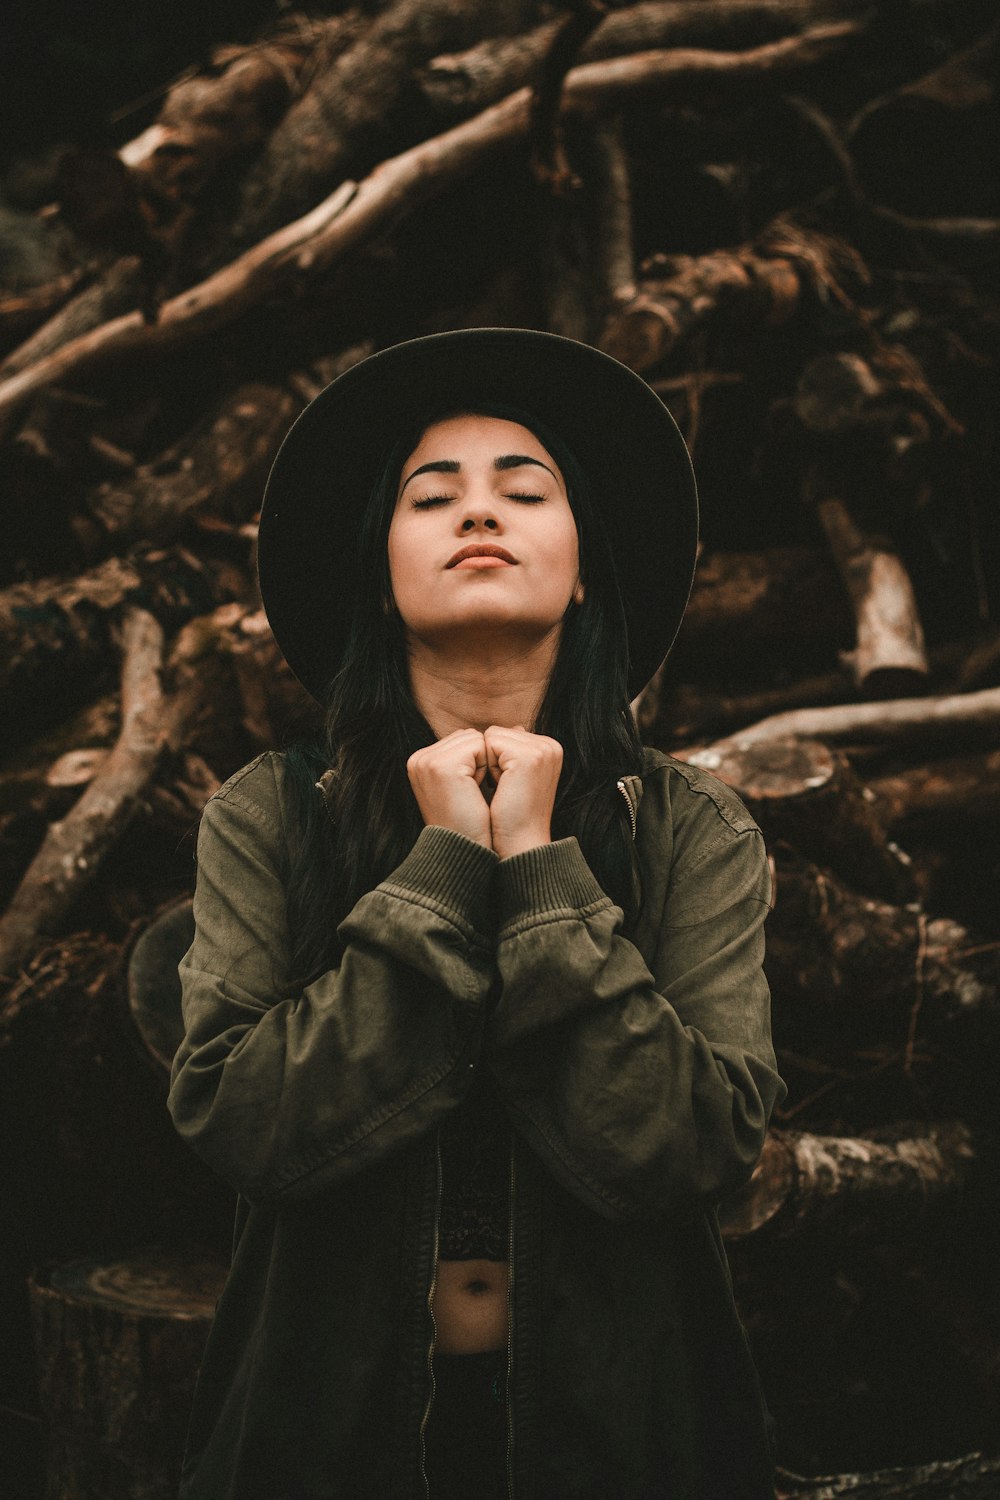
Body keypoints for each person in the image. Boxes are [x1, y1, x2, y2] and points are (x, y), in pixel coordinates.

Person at [167, 327, 787, 1500]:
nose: (477, 513)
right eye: (431, 494)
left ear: (585, 563)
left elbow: (697, 1142)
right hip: (322, 1441)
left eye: (525, 487)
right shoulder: (270, 816)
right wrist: (445, 861)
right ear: (381, 566)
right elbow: (241, 1120)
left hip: (628, 1438)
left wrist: (543, 867)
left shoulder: (690, 827)